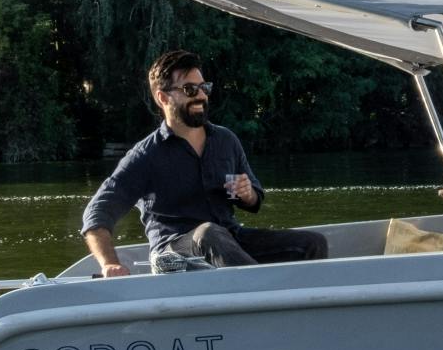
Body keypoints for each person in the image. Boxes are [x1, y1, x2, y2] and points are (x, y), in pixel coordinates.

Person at [82, 49, 329, 273]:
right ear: (163, 98)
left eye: (204, 87)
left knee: (312, 243)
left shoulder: (225, 140)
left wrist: (247, 194)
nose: (201, 95)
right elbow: (97, 213)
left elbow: (253, 201)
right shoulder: (145, 156)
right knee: (209, 234)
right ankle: (264, 298)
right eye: (190, 89)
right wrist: (109, 263)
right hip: (172, 255)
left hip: (228, 240)